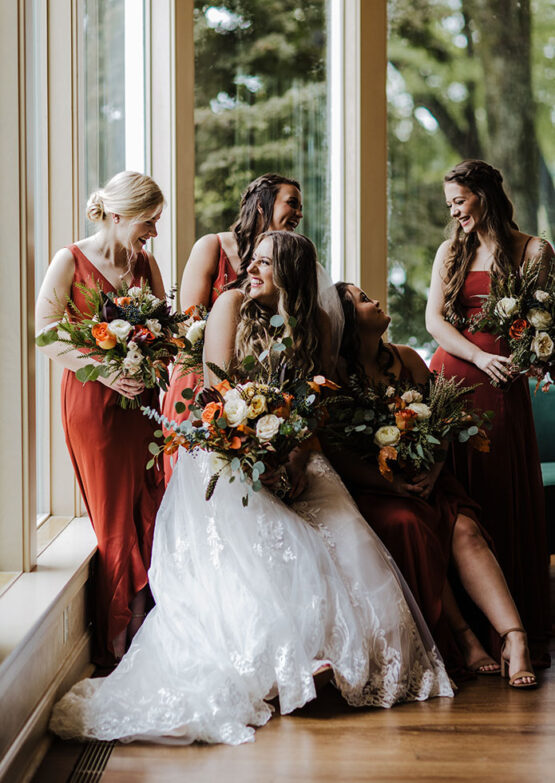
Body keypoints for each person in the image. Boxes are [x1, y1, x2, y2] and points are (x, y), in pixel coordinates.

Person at [49, 231, 453, 746]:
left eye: (265, 263)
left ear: (291, 274)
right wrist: (259, 459)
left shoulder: (318, 325)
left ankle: (346, 656)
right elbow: (220, 395)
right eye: (254, 260)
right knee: (271, 537)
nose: (252, 270)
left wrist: (298, 458)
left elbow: (313, 411)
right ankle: (291, 661)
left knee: (348, 536)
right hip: (227, 452)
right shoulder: (231, 305)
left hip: (293, 448)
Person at [328, 282, 538, 688]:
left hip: (429, 478)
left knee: (465, 529)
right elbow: (338, 455)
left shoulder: (407, 359)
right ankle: (463, 638)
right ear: (349, 321)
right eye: (364, 299)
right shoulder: (337, 374)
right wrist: (392, 486)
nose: (375, 300)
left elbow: (443, 423)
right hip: (378, 490)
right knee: (411, 524)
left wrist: (434, 471)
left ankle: (516, 637)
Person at [35, 171, 166, 666]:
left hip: (144, 403)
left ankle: (149, 624)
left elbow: (165, 329)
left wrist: (154, 360)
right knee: (113, 515)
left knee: (149, 504)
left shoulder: (145, 264)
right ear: (117, 215)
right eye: (147, 222)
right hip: (95, 404)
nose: (153, 232)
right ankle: (118, 639)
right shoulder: (69, 259)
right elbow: (44, 331)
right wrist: (105, 371)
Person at [426, 159, 553, 667]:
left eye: (460, 200)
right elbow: (434, 319)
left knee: (500, 490)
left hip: (503, 388)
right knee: (459, 494)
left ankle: (511, 625)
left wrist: (527, 357)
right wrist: (477, 355)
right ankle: (467, 632)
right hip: (452, 378)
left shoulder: (534, 250)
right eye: (449, 204)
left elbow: (545, 320)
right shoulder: (449, 251)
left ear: (484, 194)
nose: (454, 211)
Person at [161, 173, 303, 483]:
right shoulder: (211, 247)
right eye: (291, 203)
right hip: (199, 383)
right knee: (194, 479)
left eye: (301, 207)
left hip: (259, 390)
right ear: (263, 205)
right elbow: (189, 324)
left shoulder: (290, 266)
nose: (300, 214)